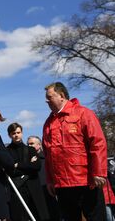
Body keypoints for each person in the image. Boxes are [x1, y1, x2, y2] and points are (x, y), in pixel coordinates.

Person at [42, 82, 108, 221]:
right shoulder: (48, 123)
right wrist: (50, 180)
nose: (46, 100)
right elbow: (48, 155)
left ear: (61, 96)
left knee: (95, 217)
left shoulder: (84, 113)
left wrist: (99, 172)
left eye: (49, 97)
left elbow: (98, 143)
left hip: (86, 181)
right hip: (62, 185)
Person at [6, 123, 49, 221]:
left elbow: (37, 166)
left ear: (22, 133)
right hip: (17, 189)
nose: (16, 135)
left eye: (18, 132)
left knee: (38, 215)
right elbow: (10, 170)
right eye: (13, 133)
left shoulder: (31, 150)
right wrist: (28, 164)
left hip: (33, 187)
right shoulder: (6, 151)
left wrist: (18, 164)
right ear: (9, 135)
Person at [27, 135, 61, 221]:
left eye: (32, 144)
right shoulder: (26, 161)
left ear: (39, 145)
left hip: (48, 193)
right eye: (28, 144)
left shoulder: (47, 159)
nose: (29, 146)